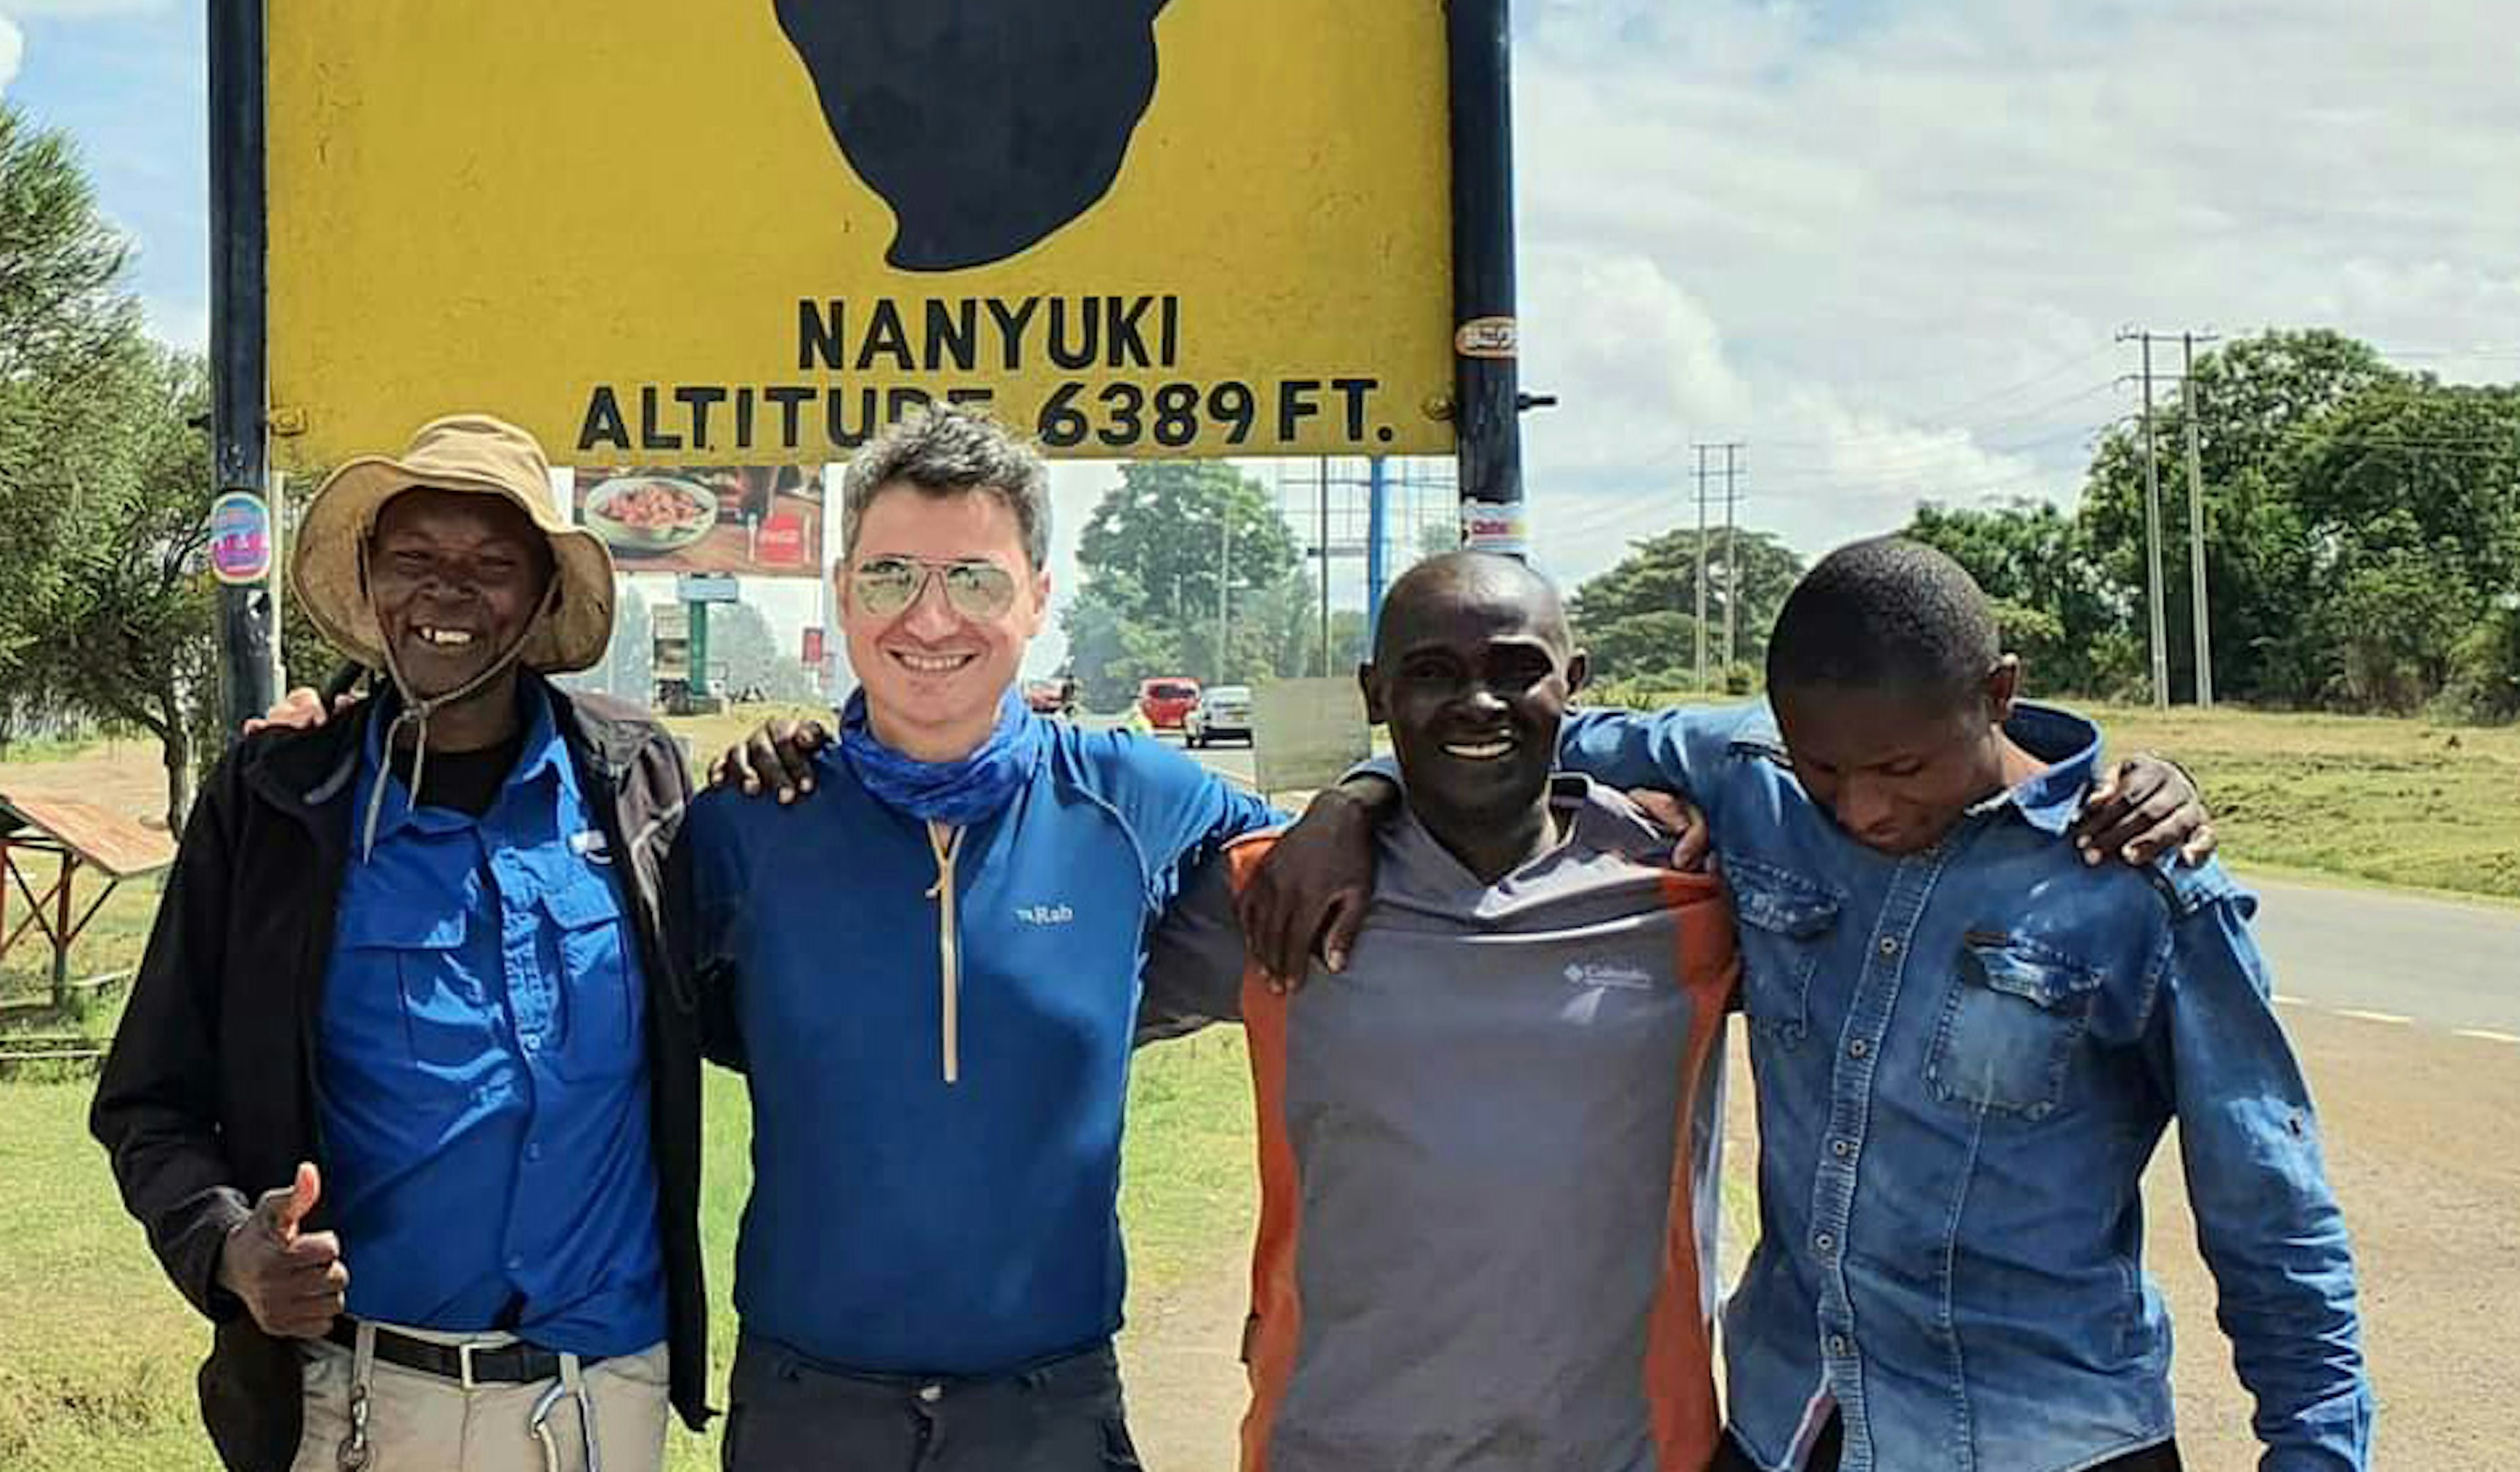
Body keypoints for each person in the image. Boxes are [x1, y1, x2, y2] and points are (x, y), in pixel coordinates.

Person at [1253, 538, 2365, 1472]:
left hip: (2046, 1438)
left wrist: (2315, 1450)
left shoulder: (2139, 887)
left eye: (1904, 768)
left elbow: (2273, 1220)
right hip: (1790, 1427)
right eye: (1825, 771)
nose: (1864, 809)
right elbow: (1513, 728)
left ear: (1999, 695)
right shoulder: (1755, 775)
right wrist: (1358, 796)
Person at [93, 415, 708, 1472]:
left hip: (602, 1397)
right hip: (353, 1399)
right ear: (372, 583)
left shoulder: (641, 783)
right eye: (415, 559)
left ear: (546, 596)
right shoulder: (277, 800)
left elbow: (747, 1003)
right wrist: (231, 1247)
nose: (448, 592)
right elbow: (148, 1097)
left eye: (492, 564)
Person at [681, 404, 1281, 1471]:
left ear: (1040, 598)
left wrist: (1371, 788)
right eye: (890, 575)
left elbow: (1325, 855)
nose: (929, 617)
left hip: (1048, 1407)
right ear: (841, 591)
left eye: (975, 578)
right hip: (807, 1406)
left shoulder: (1129, 797)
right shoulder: (747, 819)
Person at [1136, 552, 1738, 1472]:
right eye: (1432, 674)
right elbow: (1040, 992)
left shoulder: (1695, 886)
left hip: (1628, 1451)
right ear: (1375, 693)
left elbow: (1874, 735)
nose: (1479, 704)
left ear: (1574, 685)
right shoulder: (1273, 896)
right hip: (1329, 1448)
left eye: (1515, 670)